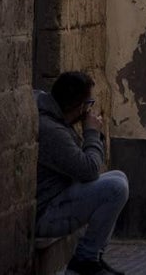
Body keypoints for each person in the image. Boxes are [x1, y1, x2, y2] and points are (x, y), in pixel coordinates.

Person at [35, 71, 129, 275]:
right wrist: (92, 133)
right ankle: (84, 260)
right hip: (47, 214)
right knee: (115, 188)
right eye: (89, 103)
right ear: (79, 107)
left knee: (119, 177)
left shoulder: (54, 119)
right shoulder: (53, 131)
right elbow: (90, 170)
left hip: (59, 200)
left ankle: (93, 256)